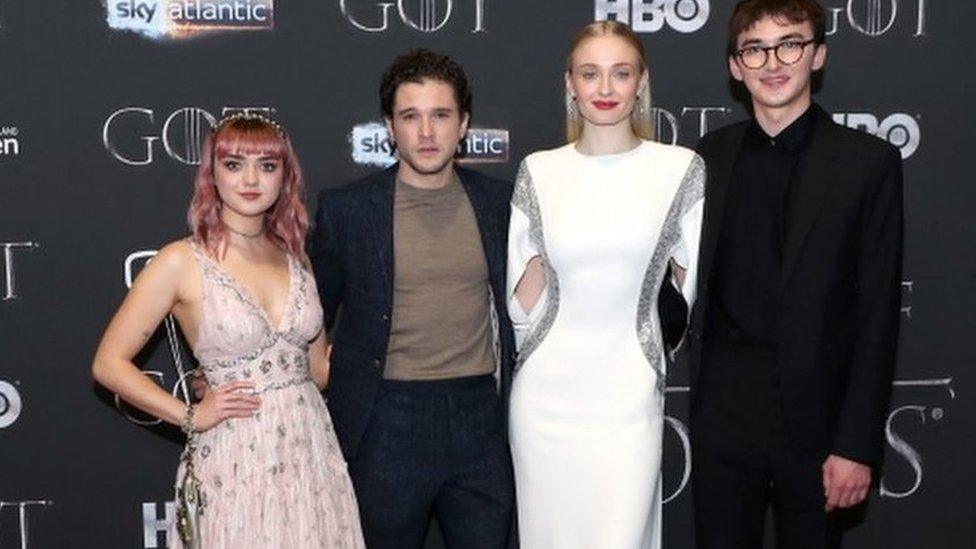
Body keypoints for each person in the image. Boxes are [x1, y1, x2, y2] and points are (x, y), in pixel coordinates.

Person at [91, 113, 365, 548]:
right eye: (234, 164)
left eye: (267, 166)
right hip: (235, 457)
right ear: (211, 175)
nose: (251, 179)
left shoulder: (298, 260)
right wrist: (190, 415)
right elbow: (108, 363)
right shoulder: (181, 261)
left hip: (310, 453)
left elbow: (317, 373)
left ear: (285, 177)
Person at [687, 1, 904, 547]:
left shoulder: (867, 163)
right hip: (724, 418)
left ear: (818, 55)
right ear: (736, 67)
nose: (773, 62)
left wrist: (855, 444)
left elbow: (878, 315)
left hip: (819, 427)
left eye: (790, 44)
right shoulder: (708, 157)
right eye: (754, 48)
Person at [507, 20, 705, 549]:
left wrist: (657, 350)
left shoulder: (679, 169)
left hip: (628, 397)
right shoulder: (539, 171)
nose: (605, 89)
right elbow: (521, 303)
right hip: (546, 400)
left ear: (641, 82)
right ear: (570, 83)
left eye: (621, 74)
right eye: (590, 74)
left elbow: (687, 288)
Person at [309, 49, 516, 549]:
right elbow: (309, 309)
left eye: (441, 115)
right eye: (411, 116)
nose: (427, 132)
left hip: (480, 420)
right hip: (385, 421)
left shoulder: (502, 204)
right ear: (390, 126)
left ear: (463, 123)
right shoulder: (348, 211)